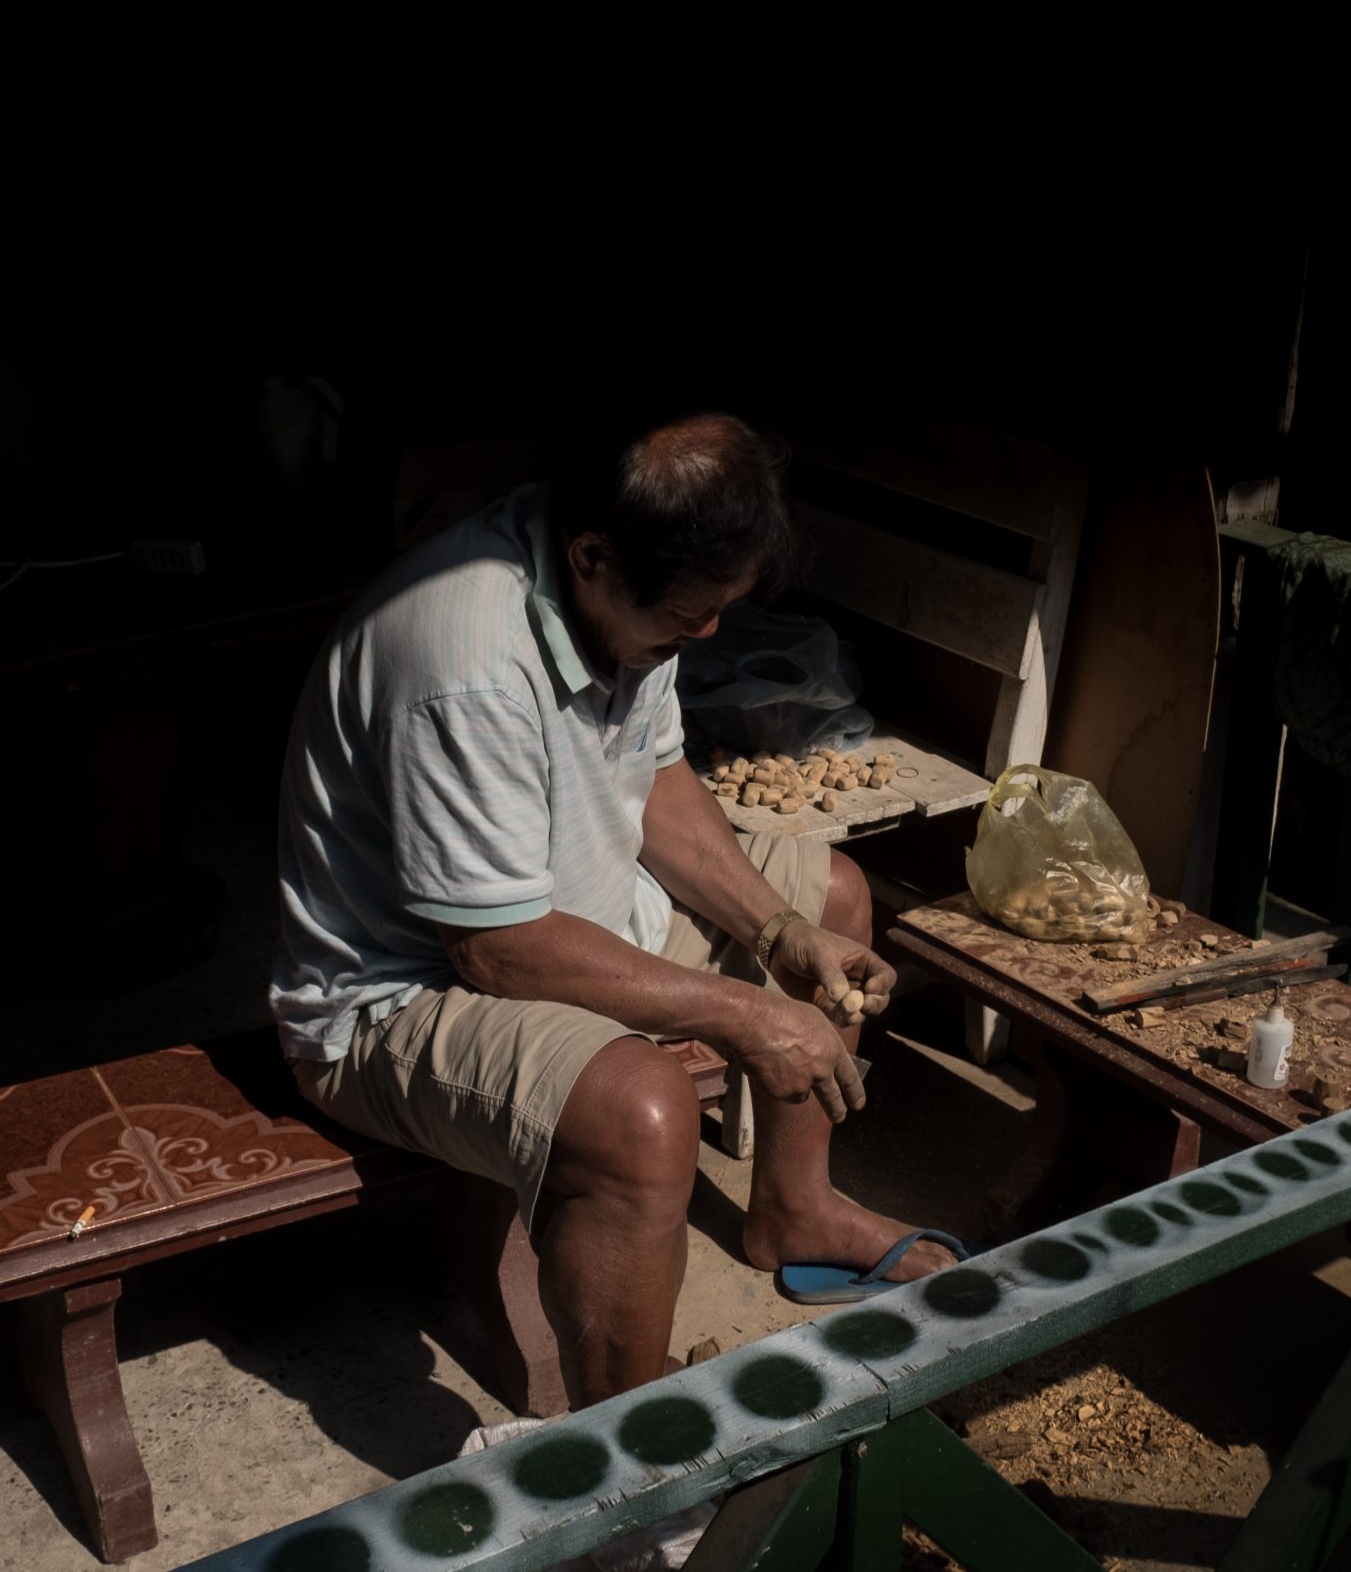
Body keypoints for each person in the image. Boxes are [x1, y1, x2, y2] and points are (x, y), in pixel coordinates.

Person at [270, 410, 960, 1407]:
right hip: (401, 994)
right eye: (690, 614)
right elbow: (498, 950)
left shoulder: (626, 584)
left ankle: (795, 1211)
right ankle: (628, 1442)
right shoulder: (465, 660)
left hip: (576, 911)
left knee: (834, 903)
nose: (707, 632)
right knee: (645, 1112)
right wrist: (749, 1013)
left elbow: (657, 780)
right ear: (592, 555)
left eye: (717, 610)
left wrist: (777, 931)